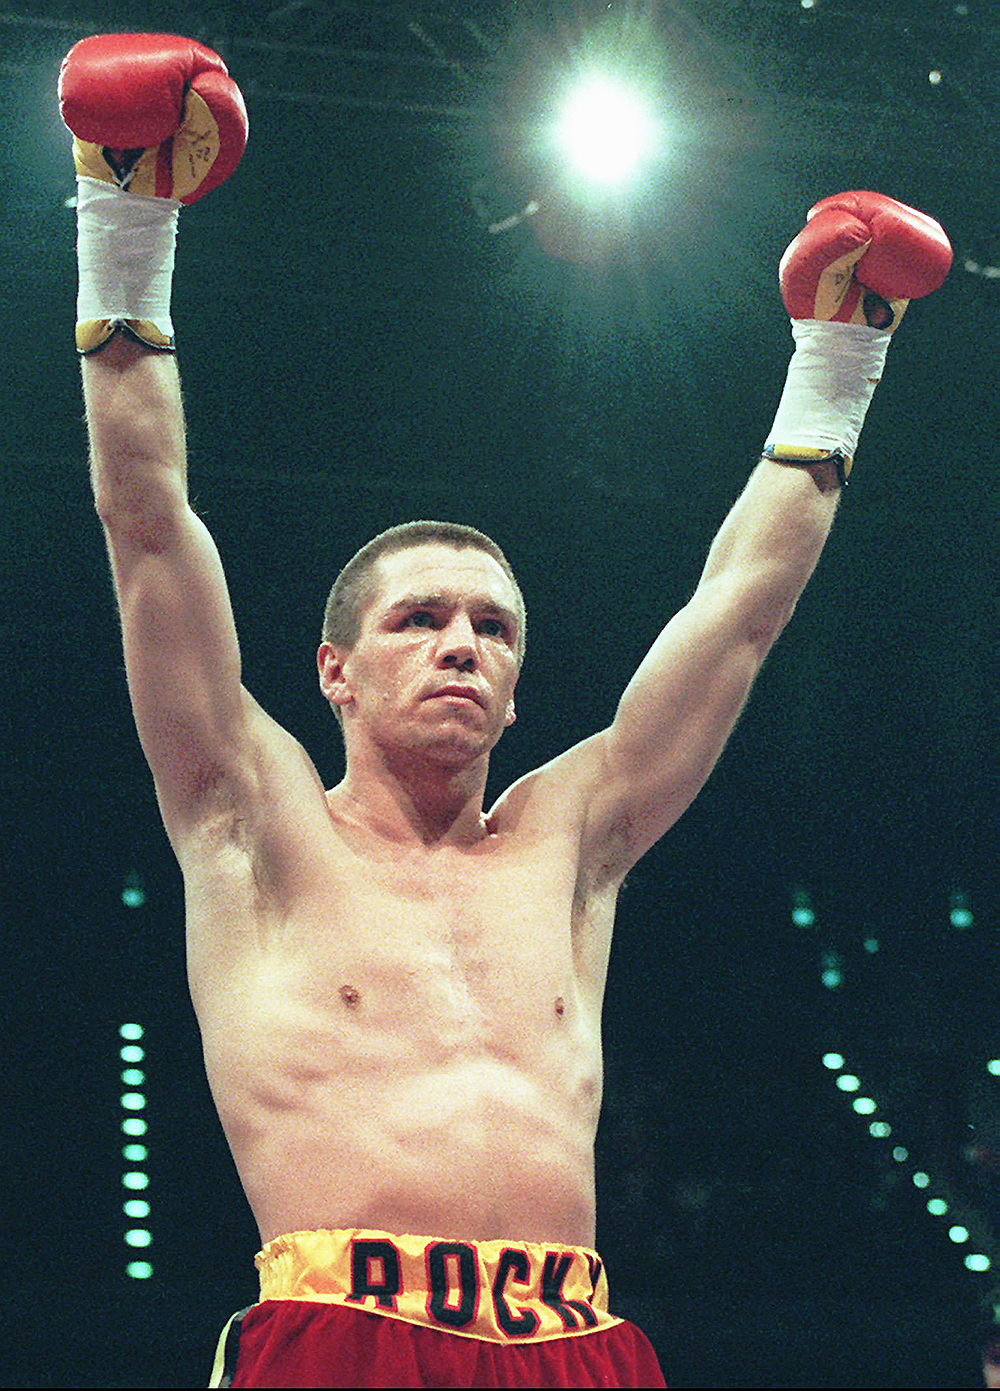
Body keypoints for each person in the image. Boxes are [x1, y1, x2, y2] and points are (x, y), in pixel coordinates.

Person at [60, 31, 953, 1391]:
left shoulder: (574, 834)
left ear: (523, 684)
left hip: (582, 1346)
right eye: (420, 620)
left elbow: (741, 612)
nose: (462, 644)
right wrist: (125, 213)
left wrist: (839, 357)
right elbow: (144, 525)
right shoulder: (253, 815)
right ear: (333, 673)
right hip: (337, 1339)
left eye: (493, 628)